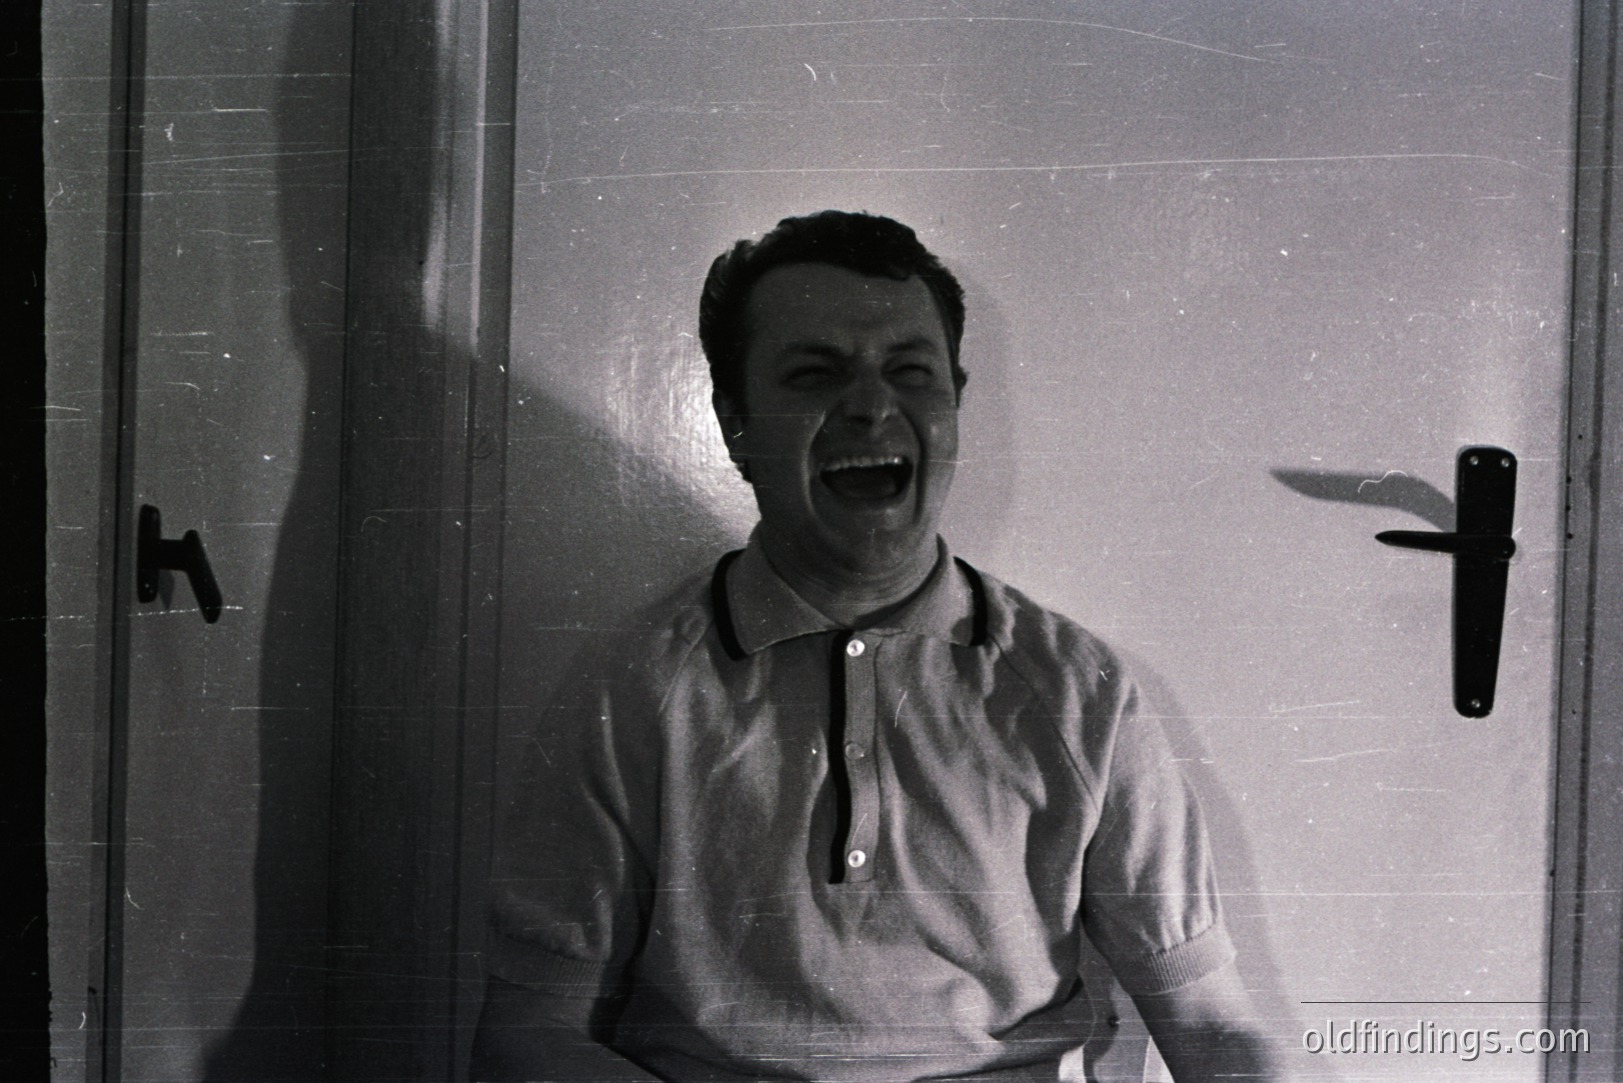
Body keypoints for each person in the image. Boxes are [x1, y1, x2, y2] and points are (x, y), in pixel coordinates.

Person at [471, 210, 1286, 1082]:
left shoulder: (1079, 692)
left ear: (954, 408)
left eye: (910, 371)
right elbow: (526, 1036)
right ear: (735, 423)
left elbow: (1211, 1024)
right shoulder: (630, 688)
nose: (870, 406)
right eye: (815, 373)